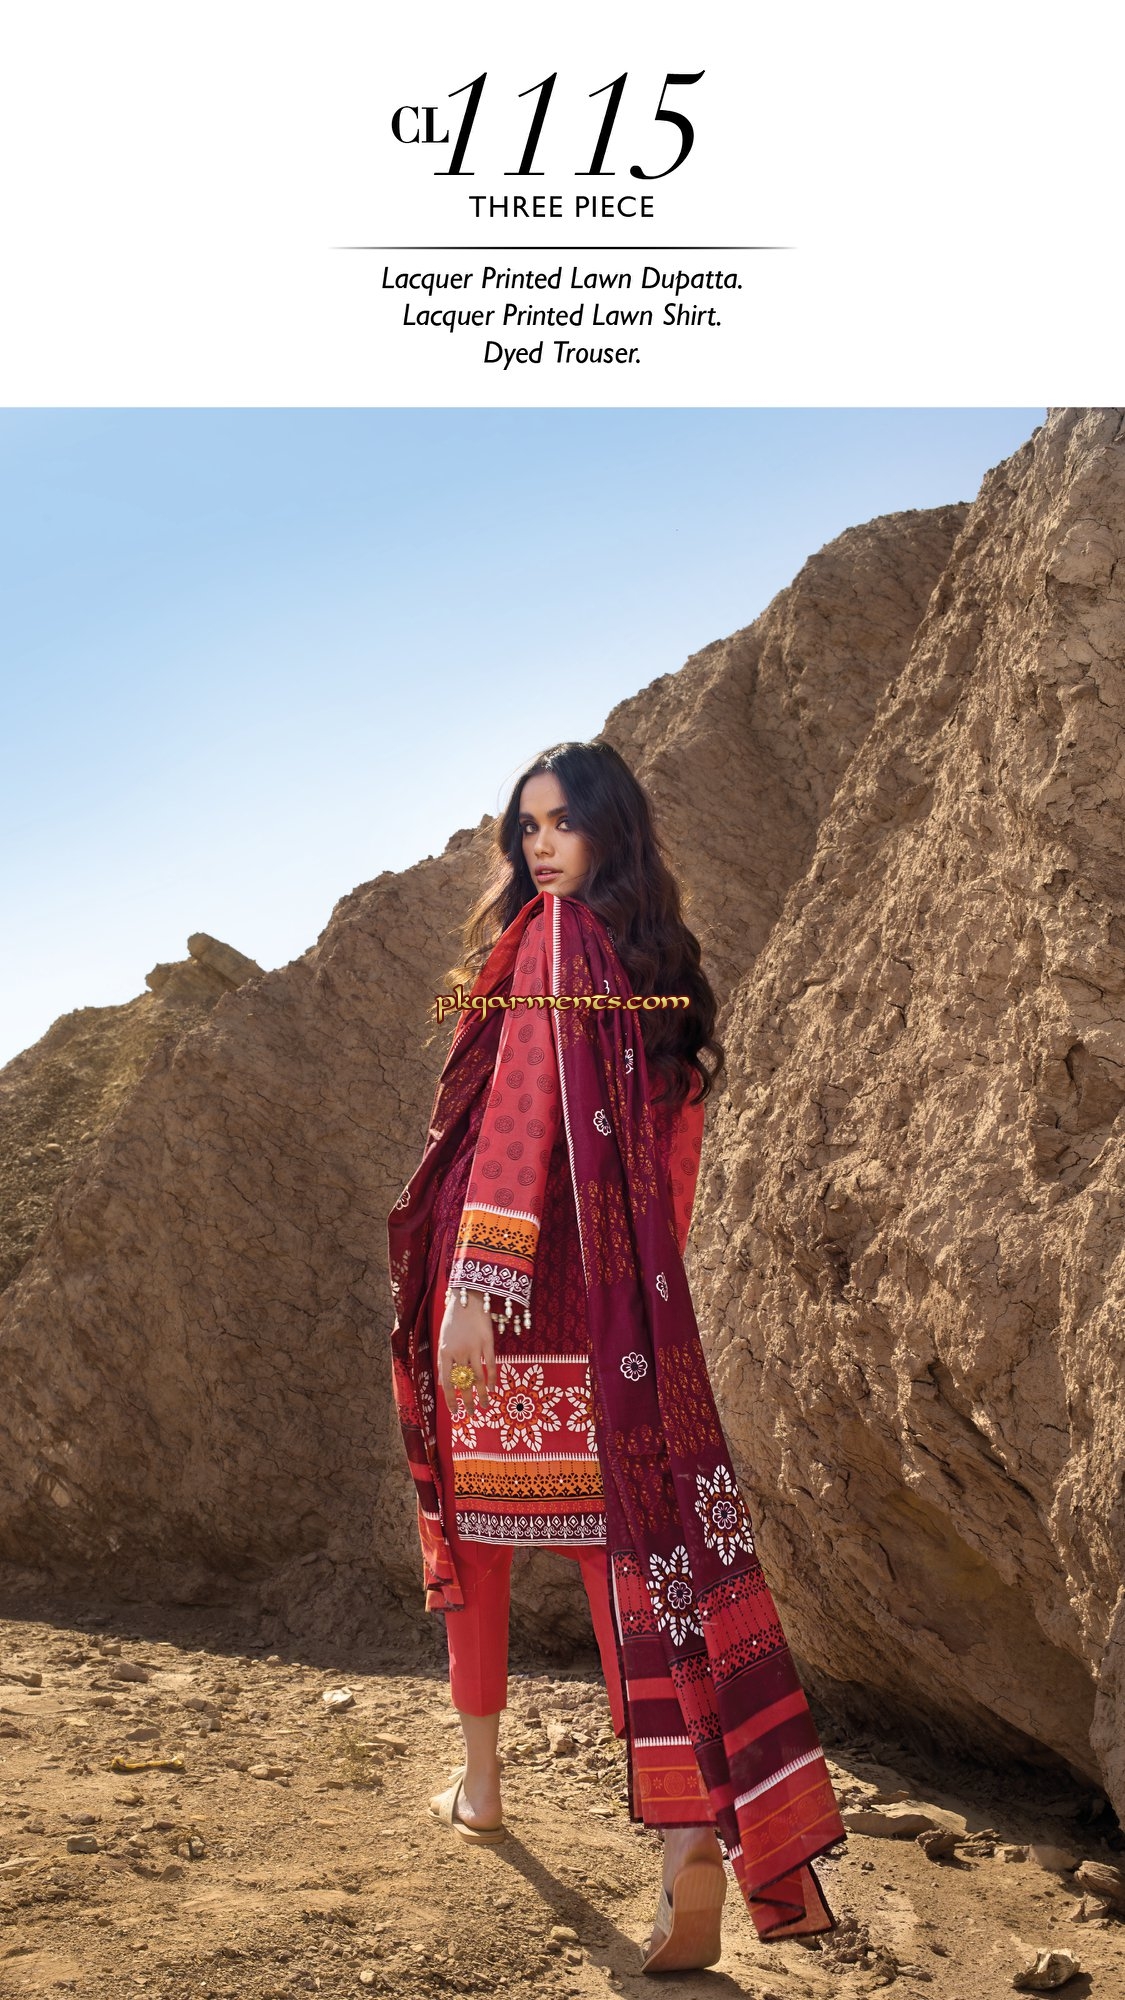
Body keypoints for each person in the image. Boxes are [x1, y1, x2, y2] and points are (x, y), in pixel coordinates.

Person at [387, 740, 846, 1973]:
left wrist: (472, 1289)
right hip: (612, 1330)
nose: (540, 847)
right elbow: (669, 1177)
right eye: (525, 826)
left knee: (476, 1545)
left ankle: (482, 1787)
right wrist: (630, 1311)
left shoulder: (548, 945)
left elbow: (518, 1114)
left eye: (561, 822)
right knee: (626, 1567)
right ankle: (687, 1834)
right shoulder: (660, 977)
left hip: (507, 1309)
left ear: (608, 829)